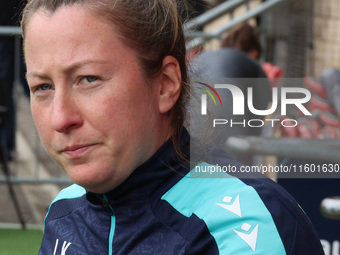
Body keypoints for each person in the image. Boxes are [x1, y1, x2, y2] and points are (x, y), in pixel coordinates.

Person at [21, 0, 324, 254]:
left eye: (89, 79)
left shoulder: (243, 225)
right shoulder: (64, 211)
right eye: (42, 87)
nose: (60, 119)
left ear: (166, 84)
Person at [189, 23, 271, 165]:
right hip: (228, 144)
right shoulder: (254, 66)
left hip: (187, 138)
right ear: (254, 54)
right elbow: (256, 124)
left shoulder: (202, 58)